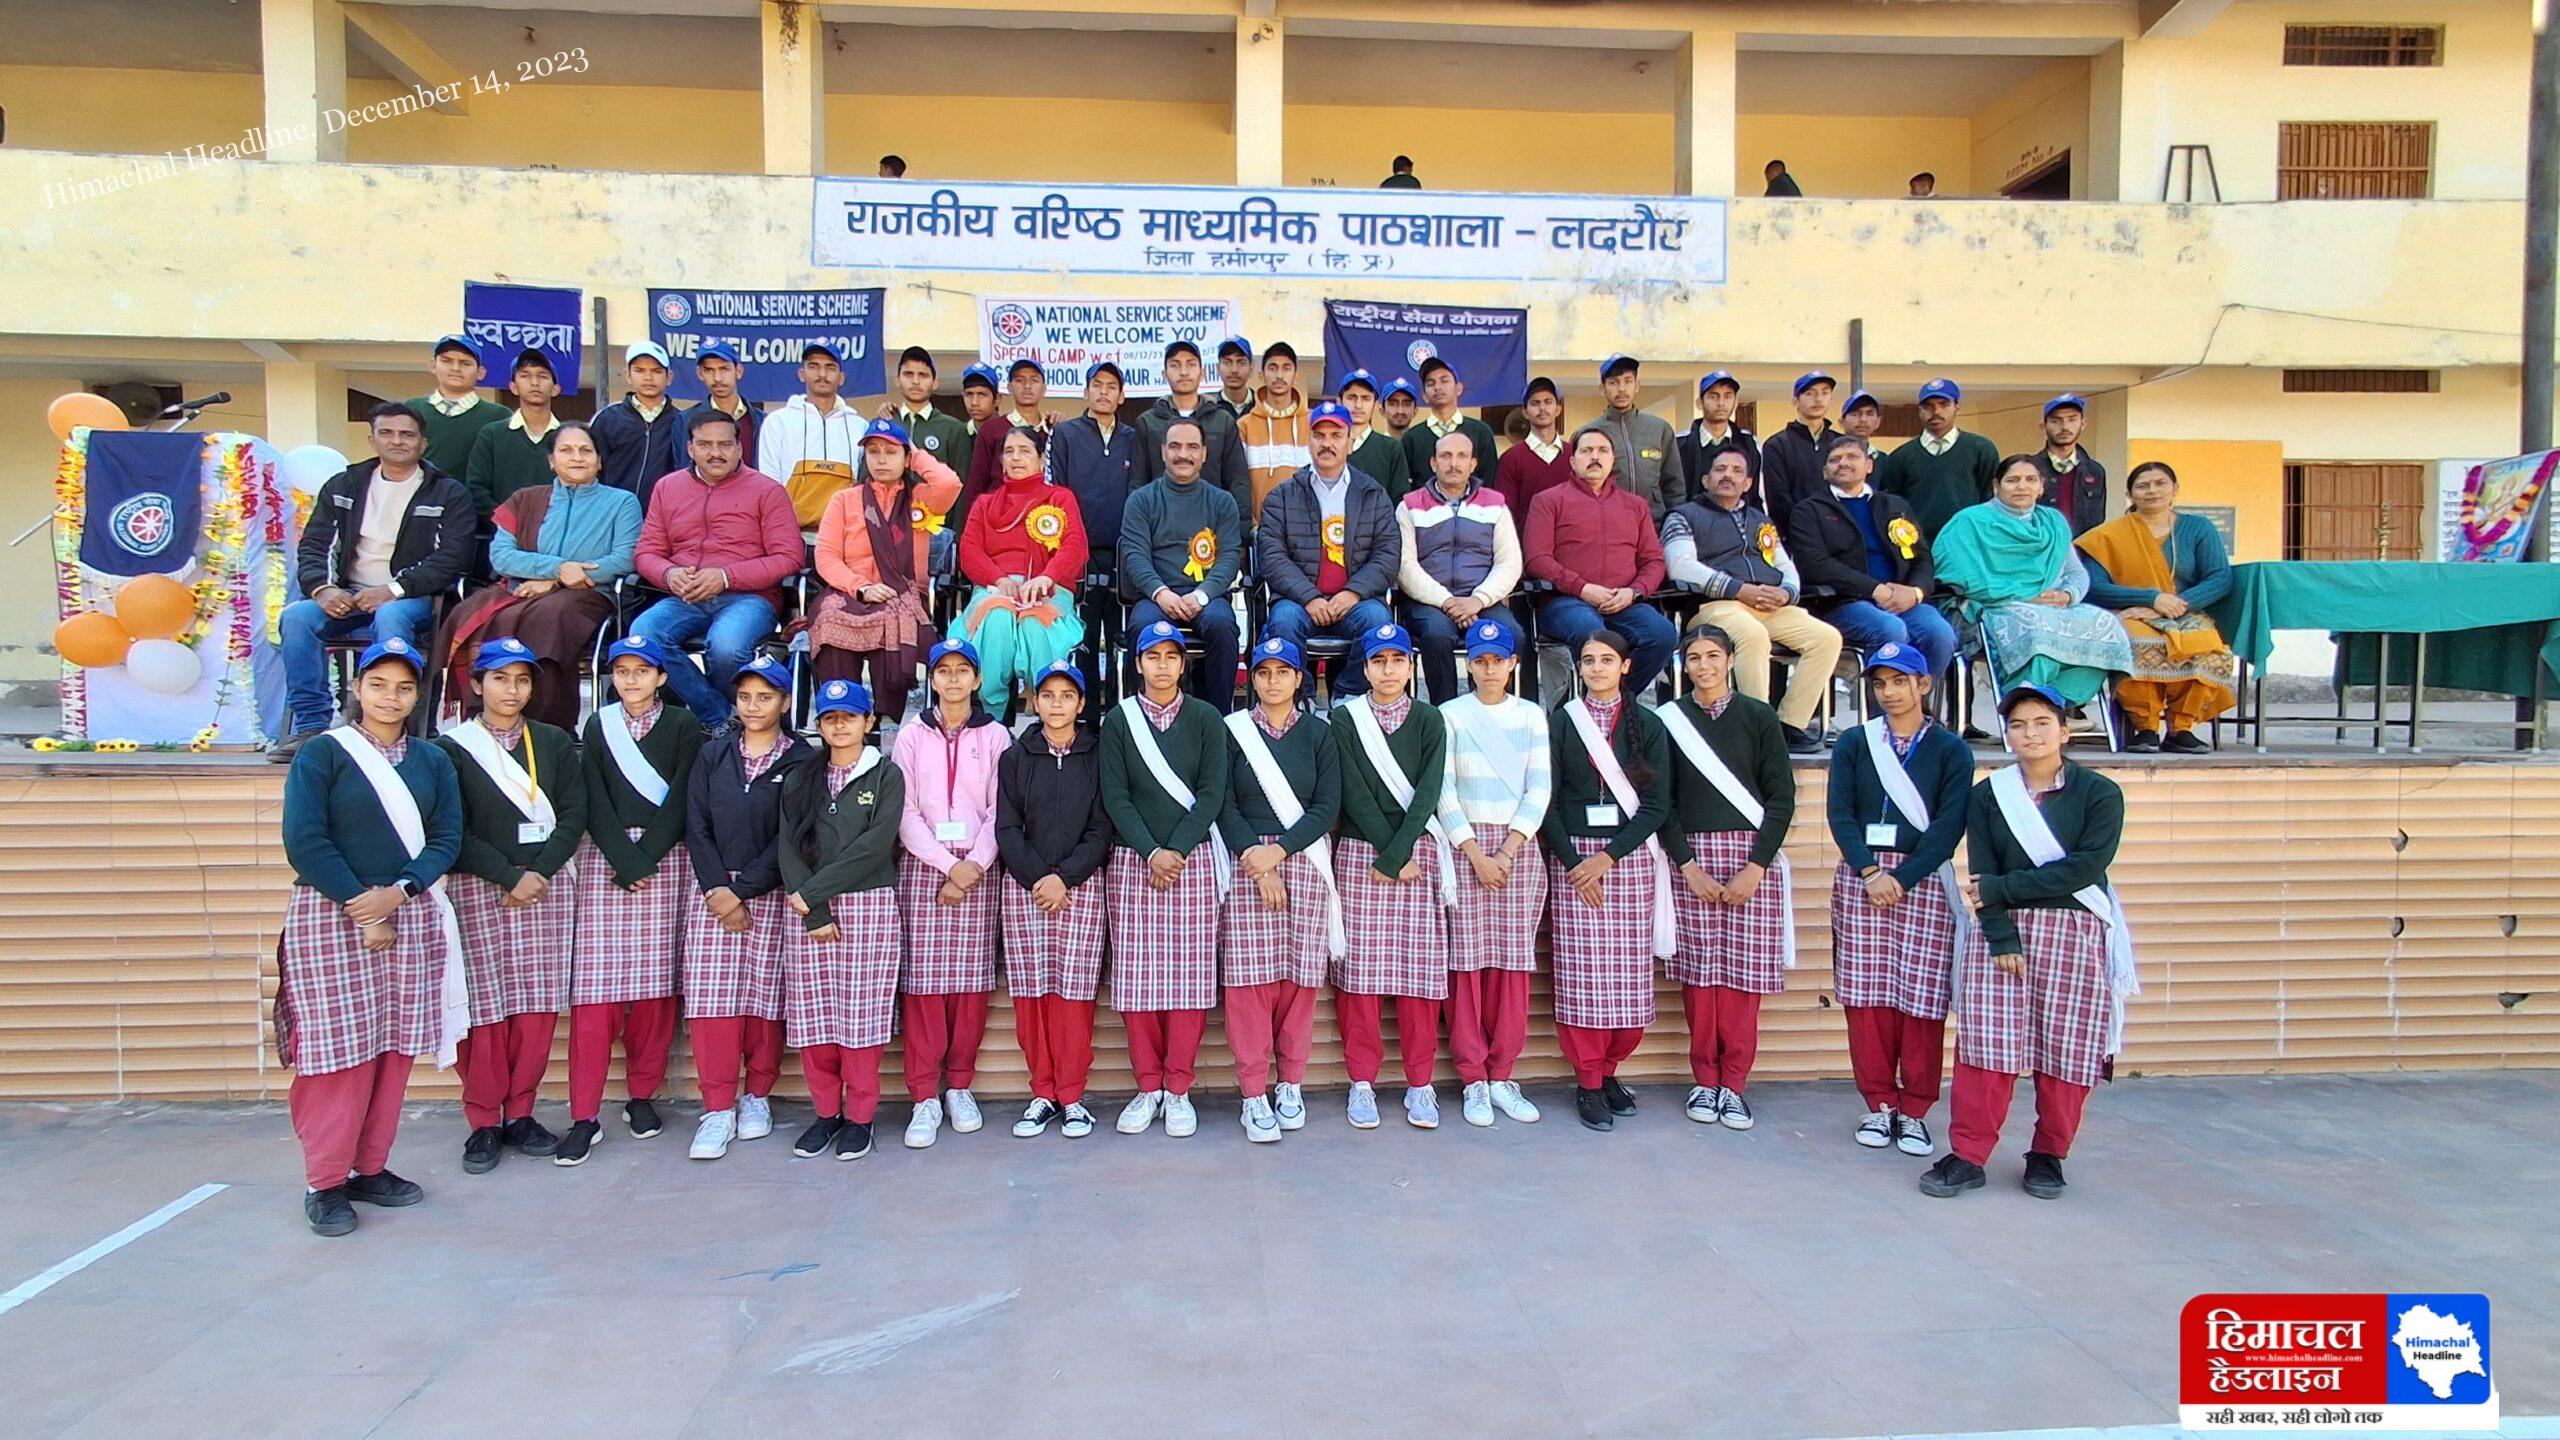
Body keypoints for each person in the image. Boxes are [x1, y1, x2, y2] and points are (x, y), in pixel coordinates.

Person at [276, 637, 462, 1236]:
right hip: (335, 912)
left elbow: (446, 837)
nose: (390, 697)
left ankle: (370, 1167)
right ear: (357, 689)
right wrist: (365, 909)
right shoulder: (324, 754)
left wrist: (400, 892)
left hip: (407, 910)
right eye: (378, 685)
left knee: (393, 1048)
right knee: (337, 1054)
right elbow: (305, 841)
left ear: (417, 695)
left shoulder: (432, 760)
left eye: (404, 688)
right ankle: (324, 1182)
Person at [1921, 684, 2135, 1200]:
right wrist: (2000, 935)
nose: (2030, 734)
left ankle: (2048, 1155)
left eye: (2042, 723)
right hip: (2003, 932)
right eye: (2018, 725)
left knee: (2067, 1046)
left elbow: (2084, 869)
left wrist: (2000, 889)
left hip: (2074, 929)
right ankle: (1969, 1154)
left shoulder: (2100, 794)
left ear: (2065, 731)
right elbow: (1983, 873)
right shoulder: (1988, 795)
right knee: (1985, 1045)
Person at [435, 636, 585, 1172]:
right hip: (481, 887)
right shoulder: (451, 750)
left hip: (545, 886)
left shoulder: (552, 741)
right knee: (484, 1008)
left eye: (522, 681)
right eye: (500, 679)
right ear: (477, 685)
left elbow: (574, 813)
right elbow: (450, 828)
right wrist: (507, 875)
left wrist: (538, 873)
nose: (512, 690)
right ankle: (483, 1120)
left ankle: (521, 1112)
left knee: (535, 1007)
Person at [1826, 643, 1971, 1158]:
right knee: (1866, 997)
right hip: (1863, 878)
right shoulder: (1855, 742)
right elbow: (1840, 812)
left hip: (1921, 878)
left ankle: (1915, 1109)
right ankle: (1878, 1103)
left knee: (1922, 998)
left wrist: (1903, 877)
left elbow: (1949, 826)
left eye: (1900, 681)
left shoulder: (1951, 749)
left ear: (1923, 684)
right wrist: (1869, 871)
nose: (1889, 692)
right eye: (1880, 683)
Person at [563, 636, 700, 1166]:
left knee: (654, 993)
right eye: (622, 671)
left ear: (662, 677)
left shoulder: (683, 725)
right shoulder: (599, 725)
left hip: (665, 859)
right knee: (595, 998)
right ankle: (584, 1114)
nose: (631, 680)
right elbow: (591, 796)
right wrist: (624, 856)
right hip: (608, 858)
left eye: (642, 671)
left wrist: (647, 856)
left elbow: (684, 795)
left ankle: (641, 1096)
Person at [276, 404, 477, 758]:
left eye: (407, 434)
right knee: (296, 617)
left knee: (390, 617)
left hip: (413, 598)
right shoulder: (344, 485)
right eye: (387, 433)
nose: (397, 441)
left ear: (423, 443)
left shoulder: (447, 492)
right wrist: (323, 588)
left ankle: (394, 728)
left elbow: (451, 558)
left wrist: (393, 590)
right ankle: (312, 726)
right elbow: (314, 545)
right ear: (372, 440)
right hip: (347, 595)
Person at [1656, 624, 1795, 1132]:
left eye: (1713, 655)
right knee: (1700, 978)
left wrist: (1757, 866)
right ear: (1683, 665)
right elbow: (1662, 801)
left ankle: (1734, 1084)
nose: (1704, 666)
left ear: (1731, 659)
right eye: (1694, 657)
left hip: (1750, 861)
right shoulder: (1669, 720)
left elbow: (1781, 797)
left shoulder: (1759, 716)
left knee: (1742, 979)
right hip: (1692, 861)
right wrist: (1687, 865)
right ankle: (1705, 1080)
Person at [1100, 621, 1232, 1139]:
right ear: (1137, 664)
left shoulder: (1205, 718)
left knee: (1188, 980)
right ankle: (1148, 1085)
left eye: (1170, 657)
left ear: (1183, 664)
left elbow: (1213, 790)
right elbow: (1116, 796)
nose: (1161, 666)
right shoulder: (1119, 720)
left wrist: (1176, 848)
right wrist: (1152, 851)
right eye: (1151, 656)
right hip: (1136, 861)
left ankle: (1178, 1087)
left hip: (1191, 859)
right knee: (1137, 979)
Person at [1542, 630, 1675, 1132]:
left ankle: (1611, 1068)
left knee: (1628, 978)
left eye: (1606, 660)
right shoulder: (1563, 721)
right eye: (1588, 660)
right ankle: (1588, 1080)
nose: (1596, 668)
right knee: (1582, 978)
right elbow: (1547, 800)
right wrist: (1576, 862)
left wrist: (1609, 857)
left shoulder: (1649, 724)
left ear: (1625, 666)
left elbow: (1658, 805)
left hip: (1628, 860)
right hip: (1575, 863)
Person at [681, 656, 809, 1160]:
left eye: (766, 697)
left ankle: (757, 1094)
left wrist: (745, 890)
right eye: (745, 697)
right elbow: (696, 825)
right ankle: (717, 1106)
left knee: (764, 999)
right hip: (713, 894)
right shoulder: (713, 754)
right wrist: (718, 888)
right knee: (713, 1003)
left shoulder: (801, 759)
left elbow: (793, 835)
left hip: (770, 892)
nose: (754, 706)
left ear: (785, 702)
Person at [435, 420, 640, 732]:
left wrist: (557, 581)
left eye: (586, 451)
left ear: (599, 461)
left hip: (588, 594)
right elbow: (501, 556)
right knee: (474, 614)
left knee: (549, 619)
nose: (577, 457)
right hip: (520, 588)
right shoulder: (525, 499)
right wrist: (557, 568)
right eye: (566, 450)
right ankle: (487, 719)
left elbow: (624, 558)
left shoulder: (621, 502)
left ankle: (547, 727)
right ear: (551, 461)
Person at [1217, 637, 1343, 1142]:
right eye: (1264, 672)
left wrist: (1282, 851)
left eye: (1283, 672)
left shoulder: (1318, 733)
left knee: (1299, 979)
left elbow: (1327, 804)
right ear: (1252, 679)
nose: (1273, 681)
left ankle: (1290, 1083)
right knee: (1249, 984)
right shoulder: (1233, 731)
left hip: (1305, 859)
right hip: (1247, 861)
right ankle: (1253, 1093)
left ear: (1299, 679)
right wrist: (1258, 860)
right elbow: (1223, 801)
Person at [1329, 623, 1453, 1130]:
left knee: (1418, 977)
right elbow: (1352, 792)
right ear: (1365, 669)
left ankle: (1420, 1083)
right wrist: (1390, 855)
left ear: (1410, 666)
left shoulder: (1429, 719)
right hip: (1363, 854)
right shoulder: (1345, 719)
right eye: (1378, 661)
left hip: (1415, 851)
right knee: (1360, 979)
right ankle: (1362, 1081)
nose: (1388, 670)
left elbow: (1428, 792)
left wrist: (1400, 852)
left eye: (1397, 660)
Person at [775, 678, 904, 1163]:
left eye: (849, 717)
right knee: (816, 1016)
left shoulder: (885, 774)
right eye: (830, 719)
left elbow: (874, 847)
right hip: (811, 914)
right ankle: (826, 1112)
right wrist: (815, 911)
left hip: (866, 905)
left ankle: (860, 1117)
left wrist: (812, 893)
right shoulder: (801, 777)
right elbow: (788, 845)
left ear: (868, 722)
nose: (840, 726)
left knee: (862, 1017)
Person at [891, 639, 1009, 1149]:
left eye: (964, 670)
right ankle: (923, 1095)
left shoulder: (997, 735)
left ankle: (959, 1085)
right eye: (944, 671)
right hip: (926, 866)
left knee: (970, 986)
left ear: (978, 680)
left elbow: (1001, 810)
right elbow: (904, 810)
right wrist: (948, 866)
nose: (954, 679)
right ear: (932, 679)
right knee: (924, 986)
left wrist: (974, 864)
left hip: (979, 865)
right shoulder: (911, 735)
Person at [1431, 621, 1550, 1128]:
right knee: (1467, 966)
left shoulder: (1531, 715)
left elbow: (1539, 788)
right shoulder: (1450, 714)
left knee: (1510, 965)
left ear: (1513, 663)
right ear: (1469, 665)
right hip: (1466, 849)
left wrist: (1508, 847)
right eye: (1479, 661)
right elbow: (1443, 789)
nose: (1488, 669)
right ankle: (1473, 1078)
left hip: (1516, 849)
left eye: (1497, 660)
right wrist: (1476, 852)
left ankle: (1502, 1074)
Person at [995, 661, 1112, 1140]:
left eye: (1067, 696)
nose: (1057, 704)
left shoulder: (1097, 755)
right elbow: (1007, 826)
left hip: (1079, 888)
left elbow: (1102, 827)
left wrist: (1065, 877)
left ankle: (1072, 1094)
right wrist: (1039, 877)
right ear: (1034, 702)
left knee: (1073, 995)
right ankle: (1042, 1092)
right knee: (1033, 994)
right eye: (1047, 696)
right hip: (1027, 889)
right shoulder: (1015, 756)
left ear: (1081, 703)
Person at [629, 412, 803, 730]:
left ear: (740, 448)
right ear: (690, 448)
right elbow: (646, 552)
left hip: (748, 596)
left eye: (725, 444)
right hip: (685, 595)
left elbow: (789, 557)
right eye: (705, 444)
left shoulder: (767, 490)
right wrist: (669, 574)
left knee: (726, 648)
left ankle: (730, 722)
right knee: (643, 636)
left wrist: (725, 576)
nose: (715, 453)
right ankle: (721, 718)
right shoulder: (668, 487)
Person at [1663, 449, 1844, 753]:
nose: (1728, 475)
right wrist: (1738, 589)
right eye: (1720, 469)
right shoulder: (1683, 516)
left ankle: (1789, 724)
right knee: (1753, 634)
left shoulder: (1760, 521)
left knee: (1827, 638)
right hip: (1714, 605)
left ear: (1748, 483)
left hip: (1768, 605)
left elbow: (1785, 566)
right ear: (1706, 479)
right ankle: (1756, 727)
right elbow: (1680, 566)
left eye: (1737, 471)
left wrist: (1786, 592)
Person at [1932, 455, 2136, 710]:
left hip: (2053, 605)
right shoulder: (1969, 522)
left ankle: (2053, 708)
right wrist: (2025, 595)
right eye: (2012, 480)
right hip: (1993, 605)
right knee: (2036, 635)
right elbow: (1959, 577)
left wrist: (2068, 595)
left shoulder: (2053, 522)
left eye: (2030, 480)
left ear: (2041, 487)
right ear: (1996, 486)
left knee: (2107, 626)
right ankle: (2025, 707)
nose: (2022, 486)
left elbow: (2076, 572)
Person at [2075, 461, 2236, 753]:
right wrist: (2151, 599)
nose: (2152, 491)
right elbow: (2093, 586)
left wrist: (2173, 606)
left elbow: (2220, 578)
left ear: (2175, 489)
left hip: (2184, 612)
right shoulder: (2108, 536)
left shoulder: (2197, 528)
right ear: (2130, 494)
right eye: (2143, 486)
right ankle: (2145, 727)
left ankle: (2181, 728)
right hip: (2132, 612)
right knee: (2134, 641)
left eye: (2160, 483)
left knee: (2207, 645)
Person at [811, 417, 962, 719]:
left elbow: (950, 484)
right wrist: (861, 587)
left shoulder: (922, 498)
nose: (881, 460)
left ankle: (887, 724)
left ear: (906, 458)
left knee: (891, 621)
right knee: (829, 623)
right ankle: (842, 716)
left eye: (891, 452)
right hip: (849, 592)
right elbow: (826, 556)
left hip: (901, 594)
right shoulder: (844, 500)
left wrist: (915, 455)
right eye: (873, 452)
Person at [1256, 402, 1401, 694]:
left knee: (1378, 622)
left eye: (1336, 436)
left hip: (1356, 603)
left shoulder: (1373, 494)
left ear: (1350, 442)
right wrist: (1309, 597)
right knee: (1283, 622)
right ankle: (1302, 699)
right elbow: (1271, 557)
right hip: (1299, 602)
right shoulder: (1282, 496)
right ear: (1308, 442)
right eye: (1319, 436)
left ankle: (1348, 695)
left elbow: (1387, 554)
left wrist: (1353, 593)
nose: (1327, 444)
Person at [1524, 425, 1677, 698]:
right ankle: (1594, 707)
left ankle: (1615, 702)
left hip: (1624, 602)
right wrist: (1582, 588)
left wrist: (1634, 591)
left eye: (1602, 451)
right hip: (1567, 602)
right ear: (1573, 461)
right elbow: (1537, 559)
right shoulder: (1548, 500)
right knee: (1593, 634)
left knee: (1663, 634)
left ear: (1612, 459)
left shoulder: (1635, 505)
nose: (1595, 456)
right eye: (1587, 451)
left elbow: (1654, 561)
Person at [1792, 435, 1958, 682]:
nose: (1843, 463)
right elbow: (1815, 565)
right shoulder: (1809, 510)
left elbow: (1922, 557)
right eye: (1835, 460)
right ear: (1825, 472)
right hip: (1843, 603)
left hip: (1902, 600)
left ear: (1869, 466)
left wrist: (1915, 592)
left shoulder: (1894, 506)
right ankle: (1881, 705)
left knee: (1940, 633)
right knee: (1890, 629)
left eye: (1852, 457)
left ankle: (1918, 701)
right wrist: (1875, 590)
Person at [955, 427, 1090, 719]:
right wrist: (999, 579)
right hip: (995, 590)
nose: (1016, 457)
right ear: (1001, 461)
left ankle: (1049, 716)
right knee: (998, 618)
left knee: (1033, 624)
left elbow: (1075, 546)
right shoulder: (984, 504)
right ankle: (993, 715)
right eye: (1009, 451)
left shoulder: (1060, 498)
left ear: (1041, 459)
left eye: (1025, 450)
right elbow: (969, 550)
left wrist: (1047, 577)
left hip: (1048, 591)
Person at [1120, 415, 1246, 712]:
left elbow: (1230, 556)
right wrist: (1161, 593)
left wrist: (1201, 595)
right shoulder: (1141, 500)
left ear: (1204, 454)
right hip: (1155, 597)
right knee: (1141, 627)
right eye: (1175, 446)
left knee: (1222, 626)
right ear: (1163, 452)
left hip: (1207, 597)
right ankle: (1140, 716)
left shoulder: (1222, 502)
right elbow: (1135, 555)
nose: (1183, 454)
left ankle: (1217, 718)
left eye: (1192, 447)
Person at [1398, 428, 1522, 702]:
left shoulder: (1495, 505)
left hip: (1483, 600)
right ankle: (1445, 711)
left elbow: (1510, 562)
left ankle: (1492, 707)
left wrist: (1477, 600)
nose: (1453, 463)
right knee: (1437, 636)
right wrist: (1447, 601)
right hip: (1430, 603)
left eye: (1462, 456)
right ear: (1433, 463)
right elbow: (1405, 566)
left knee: (1511, 635)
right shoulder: (1410, 506)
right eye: (1446, 456)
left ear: (1473, 464)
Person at [1045, 360, 1143, 579]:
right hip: (1075, 546)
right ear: (1085, 392)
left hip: (1122, 547)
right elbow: (1054, 489)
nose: (1104, 392)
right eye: (1097, 385)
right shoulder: (1064, 434)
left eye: (1111, 387)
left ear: (1121, 396)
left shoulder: (1133, 438)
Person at [1135, 339, 1253, 521]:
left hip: (1212, 527)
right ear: (1165, 374)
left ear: (1202, 373)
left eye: (1190, 364)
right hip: (1161, 529)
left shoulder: (1222, 421)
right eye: (1175, 365)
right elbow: (1138, 482)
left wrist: (1238, 529)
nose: (1183, 372)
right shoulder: (1148, 423)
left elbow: (1238, 481)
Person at [756, 342, 864, 529]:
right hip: (793, 534)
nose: (822, 374)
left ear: (841, 377)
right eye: (814, 366)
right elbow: (769, 483)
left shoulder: (860, 426)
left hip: (845, 534)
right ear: (801, 374)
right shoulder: (778, 422)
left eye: (830, 367)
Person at [1880, 377, 1999, 541]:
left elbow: (1990, 498)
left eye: (1944, 404)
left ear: (1957, 407)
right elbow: (1894, 505)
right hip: (1916, 545)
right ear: (1919, 410)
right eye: (1928, 406)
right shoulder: (1900, 457)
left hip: (1967, 542)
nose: (1936, 411)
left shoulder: (1981, 449)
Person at [464, 349, 565, 537]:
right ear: (513, 387)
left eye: (543, 376)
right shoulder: (492, 434)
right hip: (503, 539)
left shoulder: (570, 437)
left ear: (555, 389)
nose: (534, 383)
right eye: (525, 376)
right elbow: (477, 489)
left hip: (561, 536)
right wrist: (508, 524)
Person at [594, 342, 691, 511]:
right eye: (640, 370)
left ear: (669, 377)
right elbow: (594, 469)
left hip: (663, 514)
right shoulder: (608, 418)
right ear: (628, 375)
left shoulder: (681, 421)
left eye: (656, 371)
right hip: (614, 513)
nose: (648, 377)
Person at [961, 359, 1058, 525]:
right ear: (1009, 387)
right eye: (1019, 380)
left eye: (1034, 380)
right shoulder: (992, 428)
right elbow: (976, 484)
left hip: (1044, 519)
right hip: (999, 518)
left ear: (1044, 388)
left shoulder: (1054, 429)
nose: (1027, 386)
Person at [1589, 354, 1684, 521]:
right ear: (1602, 389)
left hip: (1654, 524)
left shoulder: (1659, 429)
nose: (1622, 389)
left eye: (1628, 381)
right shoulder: (1589, 433)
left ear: (1637, 386)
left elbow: (1674, 486)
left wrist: (1673, 522)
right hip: (1609, 524)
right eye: (1613, 382)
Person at [407, 335, 509, 480]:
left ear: (481, 372)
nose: (455, 368)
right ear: (433, 365)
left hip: (473, 494)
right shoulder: (411, 410)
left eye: (465, 363)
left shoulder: (499, 416)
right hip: (419, 492)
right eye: (447, 361)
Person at [1758, 371, 1838, 546]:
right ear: (1795, 401)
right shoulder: (1777, 445)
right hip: (1797, 538)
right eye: (1810, 393)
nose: (1818, 399)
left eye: (1824, 393)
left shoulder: (1840, 444)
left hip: (1839, 535)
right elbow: (1778, 499)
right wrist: (1804, 529)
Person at [1238, 340, 1313, 522]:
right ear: (1261, 376)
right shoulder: (1244, 426)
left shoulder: (1314, 423)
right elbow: (1238, 482)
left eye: (1286, 368)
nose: (1279, 375)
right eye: (1273, 368)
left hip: (1307, 528)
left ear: (1296, 376)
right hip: (1261, 529)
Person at [1399, 357, 1498, 491]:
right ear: (1424, 396)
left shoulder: (1481, 432)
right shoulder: (1411, 438)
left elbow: (1489, 483)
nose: (1437, 387)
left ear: (1458, 389)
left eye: (1444, 380)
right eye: (1430, 383)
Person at [1494, 375, 1572, 527]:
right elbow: (1506, 513)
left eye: (1548, 402)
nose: (1542, 408)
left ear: (1558, 409)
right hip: (1526, 540)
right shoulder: (1511, 459)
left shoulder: (1574, 455)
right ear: (1525, 412)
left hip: (1570, 539)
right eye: (1535, 403)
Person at [1675, 370, 1760, 508]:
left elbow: (1756, 494)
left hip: (1737, 519)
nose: (1721, 403)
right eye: (1713, 396)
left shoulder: (1749, 444)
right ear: (1699, 403)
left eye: (1727, 396)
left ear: (1736, 402)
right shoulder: (1679, 445)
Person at [882, 344, 971, 472]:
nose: (915, 381)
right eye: (908, 374)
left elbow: (962, 480)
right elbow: (866, 479)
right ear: (897, 380)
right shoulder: (884, 425)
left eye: (923, 375)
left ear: (935, 383)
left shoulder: (954, 429)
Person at [2034, 394, 2111, 536]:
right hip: (2042, 547)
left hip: (2083, 547)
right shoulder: (2031, 469)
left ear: (2083, 424)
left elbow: (2098, 520)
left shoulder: (2095, 471)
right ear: (2044, 426)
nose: (2064, 427)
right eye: (2055, 421)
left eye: (2072, 419)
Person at [1336, 368, 1412, 499]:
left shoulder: (1391, 448)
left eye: (1366, 398)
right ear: (1339, 401)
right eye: (1351, 397)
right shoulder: (1327, 445)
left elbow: (1399, 499)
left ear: (1376, 405)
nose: (1358, 405)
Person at [691, 339, 760, 464]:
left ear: (738, 371)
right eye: (709, 370)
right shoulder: (685, 420)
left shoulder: (762, 421)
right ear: (699, 374)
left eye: (724, 369)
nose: (717, 378)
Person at [1211, 335, 1259, 421]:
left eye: (1241, 363)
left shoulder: (1262, 406)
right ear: (1218, 368)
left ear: (1251, 367)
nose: (1234, 370)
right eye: (1227, 363)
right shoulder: (1208, 408)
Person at [1839, 390, 1885, 460]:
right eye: (1855, 414)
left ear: (1878, 422)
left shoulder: (1883, 460)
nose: (1863, 419)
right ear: (1842, 422)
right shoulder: (1828, 454)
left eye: (1869, 414)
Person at [1379, 376, 1420, 442]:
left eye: (1407, 404)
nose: (1400, 411)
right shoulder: (1374, 446)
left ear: (1415, 411)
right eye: (1392, 404)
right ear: (1382, 411)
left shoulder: (1422, 445)